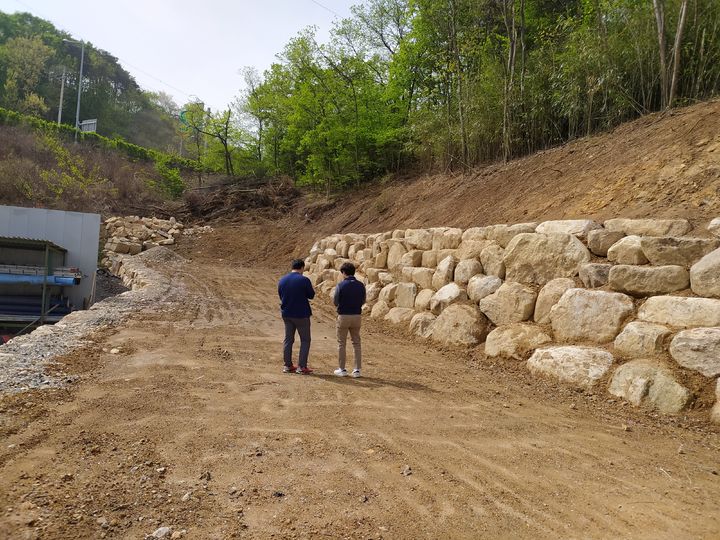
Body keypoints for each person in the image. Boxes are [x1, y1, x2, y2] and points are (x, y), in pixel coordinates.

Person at [277, 259, 315, 374]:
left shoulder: (282, 280)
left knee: (288, 339)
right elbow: (311, 295)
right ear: (302, 267)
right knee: (305, 340)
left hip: (287, 313)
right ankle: (301, 366)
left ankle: (287, 365)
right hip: (301, 314)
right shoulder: (304, 280)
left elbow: (280, 295)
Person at [333, 262, 366, 378]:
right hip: (357, 315)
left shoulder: (340, 285)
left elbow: (335, 301)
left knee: (342, 343)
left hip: (343, 316)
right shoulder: (361, 285)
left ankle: (342, 369)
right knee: (356, 342)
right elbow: (363, 300)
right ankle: (357, 369)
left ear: (343, 273)